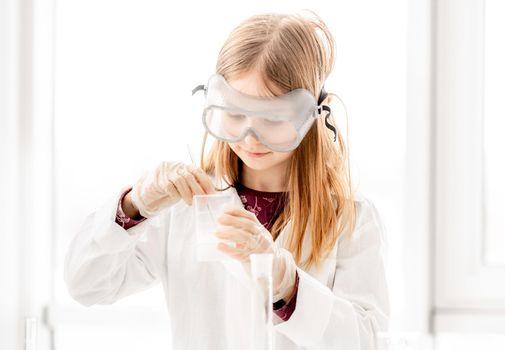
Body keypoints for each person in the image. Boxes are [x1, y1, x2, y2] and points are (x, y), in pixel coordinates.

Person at [65, 11, 389, 350]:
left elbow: (366, 341)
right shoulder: (184, 207)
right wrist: (134, 206)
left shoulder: (351, 219)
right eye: (235, 114)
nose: (250, 137)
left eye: (273, 118)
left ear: (310, 115)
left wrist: (287, 285)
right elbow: (86, 284)